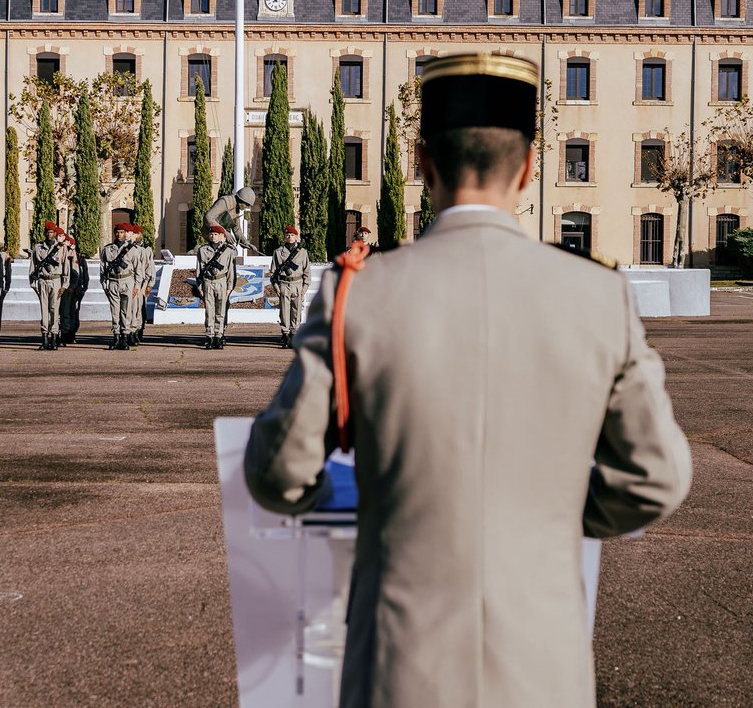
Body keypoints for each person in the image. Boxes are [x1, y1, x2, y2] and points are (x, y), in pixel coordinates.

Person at [244, 52, 692, 708]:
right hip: (543, 668)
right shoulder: (597, 294)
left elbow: (278, 470)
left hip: (399, 665)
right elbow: (656, 476)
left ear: (423, 164)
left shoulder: (358, 292)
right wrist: (557, 515)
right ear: (532, 166)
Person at [195, 224, 237, 349]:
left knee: (221, 310)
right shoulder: (202, 250)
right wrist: (200, 286)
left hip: (221, 282)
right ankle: (209, 335)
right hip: (208, 282)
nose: (213, 236)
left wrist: (229, 288)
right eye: (211, 234)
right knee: (209, 311)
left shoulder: (228, 251)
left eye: (216, 234)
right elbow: (199, 269)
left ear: (221, 236)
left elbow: (230, 271)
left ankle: (219, 335)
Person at [29, 222, 69, 350]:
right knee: (44, 310)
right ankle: (45, 338)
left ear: (55, 234)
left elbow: (66, 268)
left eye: (52, 232)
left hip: (56, 281)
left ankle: (54, 338)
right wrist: (33, 283)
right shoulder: (38, 248)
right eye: (47, 232)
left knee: (54, 309)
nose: (49, 234)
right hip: (43, 281)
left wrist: (64, 285)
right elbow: (33, 266)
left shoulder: (62, 248)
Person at [269, 225, 310, 347]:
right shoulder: (278, 252)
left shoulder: (302, 252)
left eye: (292, 235)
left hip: (297, 284)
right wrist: (276, 288)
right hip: (284, 284)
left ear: (296, 236)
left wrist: (304, 288)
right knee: (284, 311)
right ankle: (285, 334)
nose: (290, 237)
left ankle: (295, 333)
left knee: (296, 310)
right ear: (284, 237)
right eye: (287, 235)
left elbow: (307, 271)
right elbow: (273, 272)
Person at [100, 223, 139, 350]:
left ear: (125, 233)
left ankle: (125, 337)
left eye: (122, 232)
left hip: (127, 281)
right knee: (115, 312)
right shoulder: (107, 249)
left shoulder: (132, 249)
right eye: (117, 232)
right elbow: (103, 268)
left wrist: (137, 286)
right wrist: (104, 284)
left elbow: (138, 270)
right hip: (113, 281)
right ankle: (116, 337)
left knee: (126, 311)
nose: (119, 234)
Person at [204, 187, 258, 251]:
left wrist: (246, 242)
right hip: (212, 236)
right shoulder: (224, 202)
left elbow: (237, 230)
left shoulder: (236, 209)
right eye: (247, 204)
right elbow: (209, 217)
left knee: (232, 252)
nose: (247, 207)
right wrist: (224, 232)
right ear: (241, 200)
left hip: (222, 239)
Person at [130, 224, 155, 342]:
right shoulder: (129, 248)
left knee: (140, 308)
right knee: (132, 308)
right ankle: (131, 331)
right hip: (131, 281)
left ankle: (138, 330)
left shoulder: (146, 248)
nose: (134, 236)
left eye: (136, 233)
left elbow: (151, 267)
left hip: (142, 282)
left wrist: (150, 284)